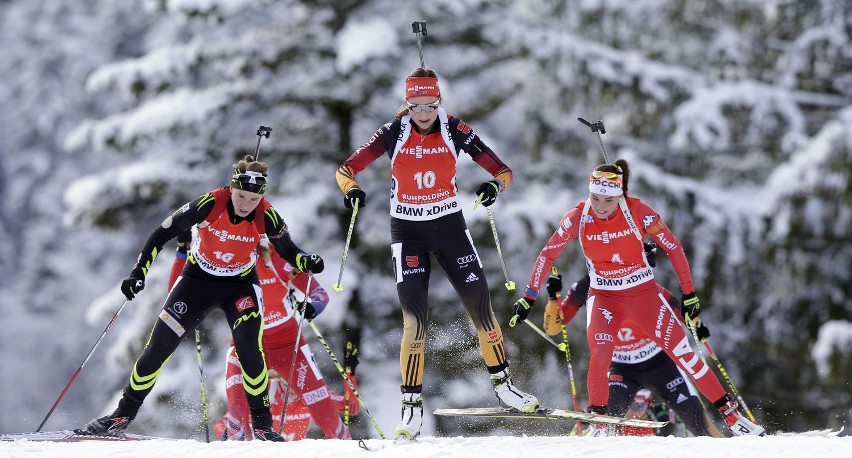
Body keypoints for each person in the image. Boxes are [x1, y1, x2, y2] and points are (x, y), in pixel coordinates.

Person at [335, 67, 539, 439]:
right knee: (415, 321)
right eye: (416, 106)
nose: (423, 113)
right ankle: (411, 407)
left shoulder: (454, 129)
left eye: (430, 105)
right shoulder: (393, 131)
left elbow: (503, 170)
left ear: (439, 102)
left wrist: (494, 186)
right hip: (408, 233)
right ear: (407, 104)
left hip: (449, 228)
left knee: (482, 309)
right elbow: (346, 169)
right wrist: (351, 189)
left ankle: (504, 387)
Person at [510, 158, 764, 437]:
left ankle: (733, 418)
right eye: (595, 198)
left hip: (643, 295)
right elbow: (548, 254)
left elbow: (675, 248)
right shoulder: (577, 217)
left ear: (620, 195)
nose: (601, 206)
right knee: (600, 357)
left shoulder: (639, 212)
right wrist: (529, 297)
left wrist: (689, 294)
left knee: (687, 357)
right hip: (605, 297)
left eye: (608, 200)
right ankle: (599, 425)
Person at [80, 155, 325, 442]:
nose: (245, 204)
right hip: (198, 281)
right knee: (158, 348)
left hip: (240, 286)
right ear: (231, 188)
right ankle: (120, 417)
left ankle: (262, 427)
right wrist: (138, 273)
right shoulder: (210, 203)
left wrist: (308, 262)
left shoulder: (267, 215)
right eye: (240, 196)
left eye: (252, 199)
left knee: (249, 351)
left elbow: (289, 250)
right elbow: (161, 233)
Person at [167, 231, 360, 441]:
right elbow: (176, 293)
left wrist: (311, 308)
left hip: (287, 344)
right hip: (246, 344)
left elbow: (319, 296)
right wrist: (182, 252)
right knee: (236, 417)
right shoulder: (225, 265)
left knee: (329, 418)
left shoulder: (279, 260)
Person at [542, 264, 724, 437]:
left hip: (658, 362)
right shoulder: (585, 286)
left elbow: (669, 303)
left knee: (696, 420)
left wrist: (695, 325)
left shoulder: (635, 275)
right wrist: (552, 300)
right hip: (622, 368)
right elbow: (553, 328)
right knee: (606, 423)